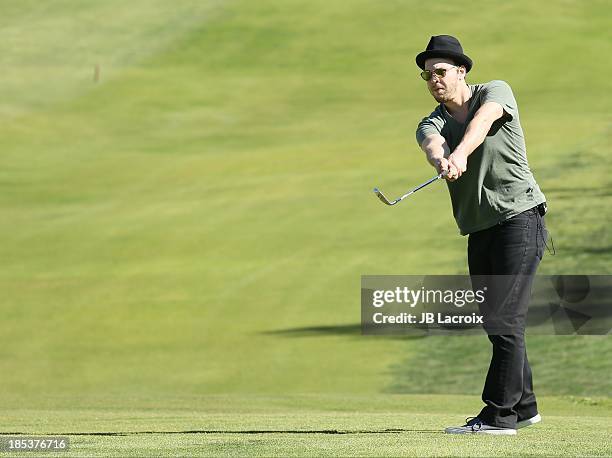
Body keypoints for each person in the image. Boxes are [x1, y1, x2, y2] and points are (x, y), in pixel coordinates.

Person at [414, 35, 548, 435]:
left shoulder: (495, 91)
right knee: (495, 320)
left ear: (461, 71)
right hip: (479, 229)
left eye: (440, 71)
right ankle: (524, 406)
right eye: (427, 75)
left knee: (506, 317)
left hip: (520, 217)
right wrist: (442, 158)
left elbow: (483, 121)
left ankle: (498, 415)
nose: (434, 79)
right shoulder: (431, 120)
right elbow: (431, 143)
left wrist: (461, 155)